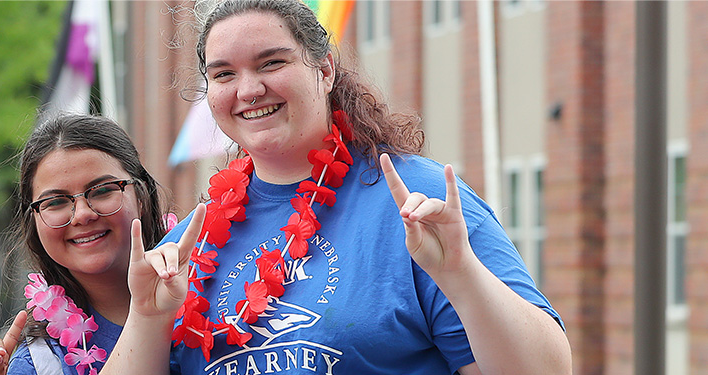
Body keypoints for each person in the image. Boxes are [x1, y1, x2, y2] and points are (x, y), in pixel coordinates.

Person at [102, 1, 572, 374]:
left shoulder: (417, 201)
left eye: (271, 62)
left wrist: (463, 274)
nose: (248, 90)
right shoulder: (189, 243)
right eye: (224, 73)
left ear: (324, 70)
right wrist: (147, 318)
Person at [0, 114, 204, 375]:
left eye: (103, 190)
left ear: (140, 195)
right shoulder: (40, 363)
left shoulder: (219, 282)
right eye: (56, 202)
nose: (83, 214)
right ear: (34, 222)